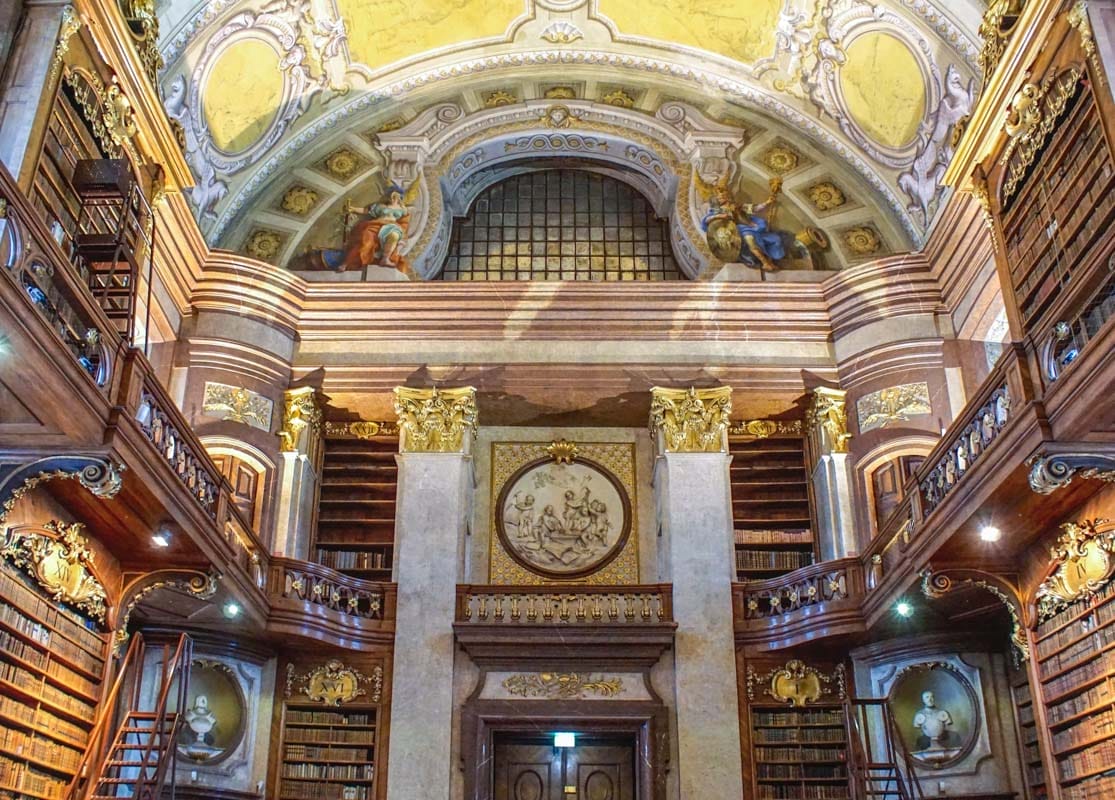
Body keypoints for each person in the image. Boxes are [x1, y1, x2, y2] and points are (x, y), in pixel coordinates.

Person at [701, 181, 786, 271]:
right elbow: (706, 220)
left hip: (748, 227)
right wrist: (719, 216)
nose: (723, 198)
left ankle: (769, 260)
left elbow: (754, 209)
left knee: (774, 239)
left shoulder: (737, 206)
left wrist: (767, 202)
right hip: (735, 231)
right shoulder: (718, 210)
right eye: (720, 197)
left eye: (724, 195)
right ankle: (765, 263)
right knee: (750, 239)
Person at [340, 185, 413, 275]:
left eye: (396, 196)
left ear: (399, 197)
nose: (393, 199)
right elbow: (365, 210)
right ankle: (347, 263)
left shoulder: (402, 209)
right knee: (365, 241)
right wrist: (353, 209)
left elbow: (405, 222)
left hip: (392, 227)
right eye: (392, 196)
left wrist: (403, 235)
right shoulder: (380, 206)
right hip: (377, 225)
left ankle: (385, 258)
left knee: (394, 235)